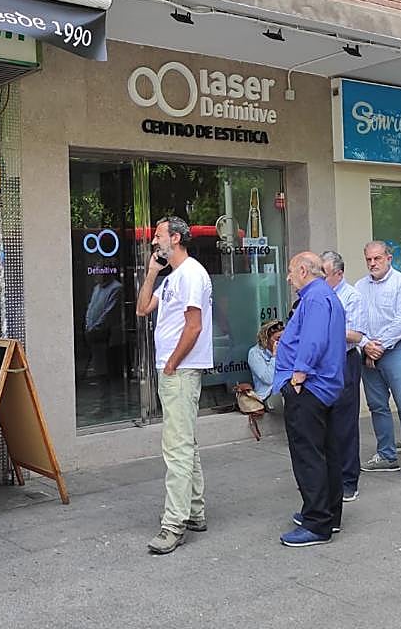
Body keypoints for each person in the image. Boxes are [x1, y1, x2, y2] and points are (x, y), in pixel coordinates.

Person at [135, 217, 212, 555]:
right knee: (185, 443)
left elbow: (193, 326)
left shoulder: (192, 273)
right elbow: (141, 309)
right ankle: (194, 511)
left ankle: (173, 524)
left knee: (176, 449)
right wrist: (152, 271)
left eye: (159, 235)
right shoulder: (172, 278)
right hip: (175, 370)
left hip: (179, 371)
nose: (154, 240)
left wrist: (171, 363)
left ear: (176, 238)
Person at [273, 252, 347, 547]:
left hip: (311, 387)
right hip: (323, 387)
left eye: (291, 271)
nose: (288, 278)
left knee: (309, 455)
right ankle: (329, 515)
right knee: (326, 451)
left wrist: (298, 375)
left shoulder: (315, 297)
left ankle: (317, 522)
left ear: (303, 270)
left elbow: (313, 340)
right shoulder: (324, 295)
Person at [352, 241, 401, 485]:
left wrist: (377, 346)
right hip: (369, 353)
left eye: (377, 259)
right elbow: (354, 320)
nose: (373, 263)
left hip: (397, 350)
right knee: (377, 406)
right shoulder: (360, 287)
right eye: (369, 260)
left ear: (388, 258)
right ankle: (386, 455)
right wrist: (366, 346)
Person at [321, 250, 363, 503]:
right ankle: (329, 477)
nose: (319, 279)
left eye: (323, 274)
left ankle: (349, 480)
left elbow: (356, 335)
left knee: (344, 423)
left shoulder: (351, 296)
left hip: (344, 360)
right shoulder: (317, 296)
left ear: (338, 274)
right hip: (322, 363)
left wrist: (326, 327)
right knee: (324, 423)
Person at [248, 319, 283, 409]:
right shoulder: (255, 353)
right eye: (278, 339)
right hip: (268, 396)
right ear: (266, 339)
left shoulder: (285, 349)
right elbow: (268, 379)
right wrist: (275, 357)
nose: (282, 341)